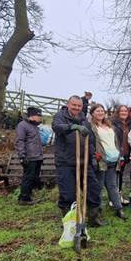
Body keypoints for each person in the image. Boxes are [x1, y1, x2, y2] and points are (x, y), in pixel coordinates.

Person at [52, 95, 105, 227]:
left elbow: (91, 141)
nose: (76, 108)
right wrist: (72, 127)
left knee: (94, 189)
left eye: (79, 106)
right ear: (68, 104)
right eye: (74, 105)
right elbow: (57, 127)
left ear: (82, 106)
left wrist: (92, 157)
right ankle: (69, 222)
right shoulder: (60, 116)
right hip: (66, 162)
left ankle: (93, 218)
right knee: (68, 194)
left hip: (84, 162)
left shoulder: (84, 120)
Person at [89, 104, 127, 220]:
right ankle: (98, 210)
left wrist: (120, 157)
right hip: (102, 161)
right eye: (97, 111)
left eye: (102, 111)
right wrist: (94, 154)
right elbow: (90, 142)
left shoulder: (109, 125)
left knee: (112, 186)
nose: (100, 113)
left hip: (113, 160)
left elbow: (116, 142)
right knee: (99, 187)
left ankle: (118, 208)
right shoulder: (91, 126)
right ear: (92, 113)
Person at [15, 107, 44, 205]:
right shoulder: (22, 125)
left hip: (37, 157)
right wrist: (22, 156)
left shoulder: (35, 126)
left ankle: (27, 195)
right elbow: (20, 141)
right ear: (32, 116)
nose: (40, 118)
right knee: (28, 178)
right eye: (39, 116)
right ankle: (24, 199)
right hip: (29, 157)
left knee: (33, 178)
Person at [112, 104, 131, 204]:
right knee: (114, 175)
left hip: (126, 153)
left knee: (120, 174)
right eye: (121, 111)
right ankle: (113, 198)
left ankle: (118, 196)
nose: (124, 112)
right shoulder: (113, 123)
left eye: (125, 111)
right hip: (115, 153)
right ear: (118, 112)